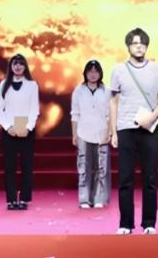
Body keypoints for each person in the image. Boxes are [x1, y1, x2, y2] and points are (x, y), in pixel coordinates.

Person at [109, 27, 158, 235]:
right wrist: (114, 131)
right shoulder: (118, 70)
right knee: (125, 178)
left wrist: (152, 118)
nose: (138, 47)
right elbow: (114, 101)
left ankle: (149, 223)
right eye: (135, 43)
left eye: (142, 43)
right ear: (128, 46)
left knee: (150, 178)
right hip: (125, 127)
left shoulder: (157, 69)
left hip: (149, 128)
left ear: (146, 46)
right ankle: (125, 224)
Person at [0, 53, 40, 210]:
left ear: (25, 66)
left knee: (26, 165)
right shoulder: (3, 85)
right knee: (10, 166)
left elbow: (34, 109)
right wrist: (8, 127)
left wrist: (28, 127)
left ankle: (24, 199)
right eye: (15, 63)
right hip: (9, 130)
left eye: (21, 63)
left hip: (27, 129)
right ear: (11, 66)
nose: (18, 66)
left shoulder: (32, 85)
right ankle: (11, 199)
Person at [70, 59, 111, 209]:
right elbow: (75, 114)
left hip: (102, 132)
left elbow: (110, 114)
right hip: (83, 132)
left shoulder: (106, 91)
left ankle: (99, 198)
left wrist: (110, 132)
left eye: (96, 71)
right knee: (83, 166)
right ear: (85, 73)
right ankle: (84, 199)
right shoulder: (78, 91)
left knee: (102, 167)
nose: (93, 74)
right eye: (90, 71)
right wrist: (74, 134)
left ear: (100, 73)